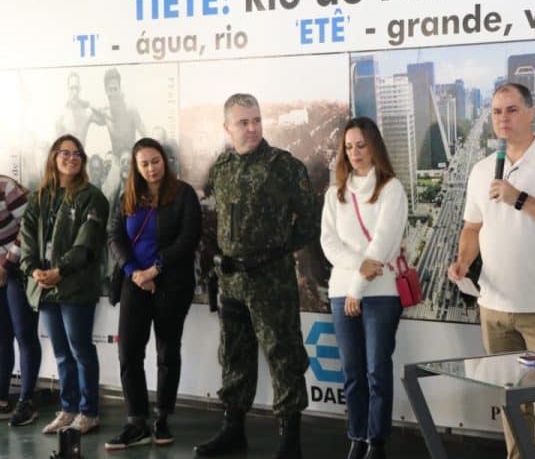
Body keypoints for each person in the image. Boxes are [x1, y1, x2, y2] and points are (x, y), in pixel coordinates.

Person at [447, 83, 535, 459]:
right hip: (494, 306)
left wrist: (518, 198)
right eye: (496, 112)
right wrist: (462, 260)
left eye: (510, 110)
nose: (502, 118)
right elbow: (473, 227)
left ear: (530, 112)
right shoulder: (480, 171)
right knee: (512, 402)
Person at [194, 93, 319, 458]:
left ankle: (289, 441)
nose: (252, 128)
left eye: (257, 120)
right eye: (243, 122)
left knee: (284, 355)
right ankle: (233, 430)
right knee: (233, 355)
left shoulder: (284, 166)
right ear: (227, 127)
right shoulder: (222, 167)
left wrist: (275, 252)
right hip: (231, 280)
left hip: (271, 279)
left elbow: (309, 221)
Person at [104, 138, 201, 450]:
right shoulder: (128, 195)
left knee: (167, 351)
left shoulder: (183, 194)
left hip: (172, 284)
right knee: (129, 352)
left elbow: (189, 238)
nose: (151, 168)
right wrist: (135, 272)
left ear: (165, 160)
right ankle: (136, 421)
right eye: (144, 163)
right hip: (135, 283)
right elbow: (114, 236)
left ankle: (162, 418)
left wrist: (154, 270)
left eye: (155, 161)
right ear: (136, 166)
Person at [320, 117, 408, 459]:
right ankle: (356, 436)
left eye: (361, 145)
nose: (355, 152)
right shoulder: (334, 193)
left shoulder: (391, 189)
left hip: (380, 294)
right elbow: (329, 243)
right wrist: (357, 268)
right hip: (341, 291)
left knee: (376, 369)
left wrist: (358, 289)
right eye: (349, 147)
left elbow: (383, 245)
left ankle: (377, 441)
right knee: (352, 371)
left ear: (374, 146)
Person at [19, 134, 109, 436]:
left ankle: (88, 412)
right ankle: (68, 408)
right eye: (65, 153)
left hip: (76, 288)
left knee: (80, 349)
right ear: (53, 158)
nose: (72, 158)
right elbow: (27, 237)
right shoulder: (40, 196)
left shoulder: (92, 196)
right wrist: (34, 271)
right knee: (60, 352)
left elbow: (86, 244)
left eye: (77, 154)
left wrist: (60, 270)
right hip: (45, 288)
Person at [0, 175, 42, 427]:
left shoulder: (6, 188)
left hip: (21, 267)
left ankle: (27, 401)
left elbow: (30, 226)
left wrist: (7, 263)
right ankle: (2, 398)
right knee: (1, 336)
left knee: (24, 333)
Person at [93, 68, 147, 157]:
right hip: (116, 160)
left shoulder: (130, 109)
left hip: (130, 159)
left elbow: (145, 134)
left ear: (120, 88)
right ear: (106, 90)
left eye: (116, 89)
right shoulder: (105, 111)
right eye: (111, 89)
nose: (114, 93)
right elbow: (90, 107)